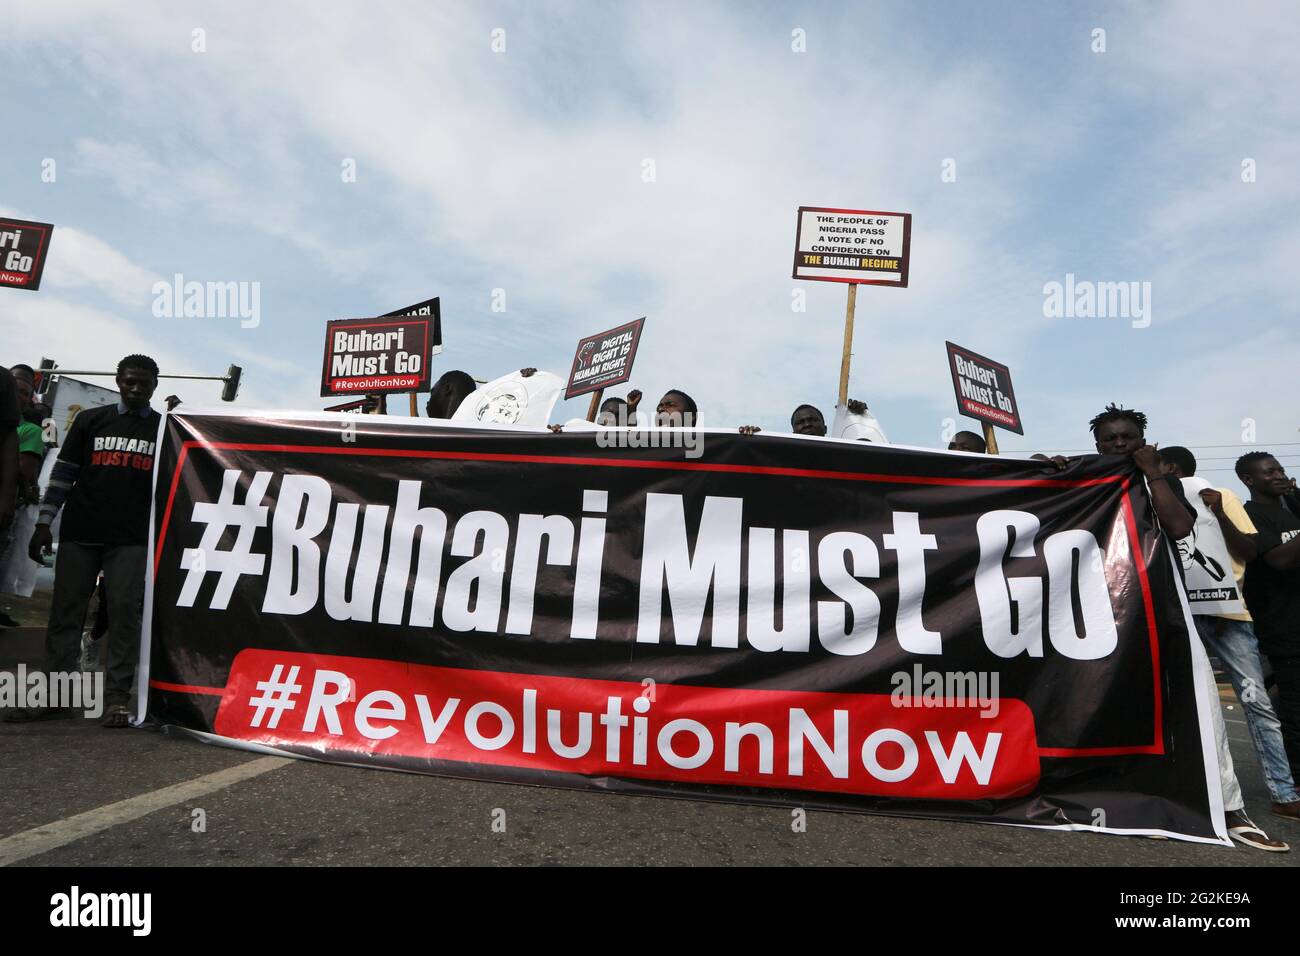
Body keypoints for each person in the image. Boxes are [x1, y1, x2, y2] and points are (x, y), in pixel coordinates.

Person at [1056, 406, 1283, 849]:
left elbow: (1179, 526)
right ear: (1098, 444)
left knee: (1198, 703)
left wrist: (1152, 474)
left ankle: (1228, 809)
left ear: (1143, 440)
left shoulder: (1163, 479)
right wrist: (1049, 470)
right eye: (1110, 439)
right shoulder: (1089, 476)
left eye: (1128, 437)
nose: (1119, 445)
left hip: (1162, 607)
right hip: (1106, 610)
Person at [5, 355, 163, 728]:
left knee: (125, 616)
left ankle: (116, 701)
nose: (136, 388)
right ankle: (56, 698)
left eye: (143, 383)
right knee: (65, 616)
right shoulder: (90, 420)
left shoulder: (162, 429)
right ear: (118, 380)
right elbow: (63, 473)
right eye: (129, 382)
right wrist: (44, 523)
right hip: (80, 533)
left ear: (154, 385)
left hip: (132, 539)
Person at [1160, 446, 1300, 820]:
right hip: (1179, 613)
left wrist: (1219, 512)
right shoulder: (1150, 498)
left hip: (1228, 614)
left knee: (1257, 704)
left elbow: (1249, 551)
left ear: (1170, 467)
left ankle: (1284, 792)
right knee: (1170, 702)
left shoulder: (1224, 496)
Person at [1237, 452, 1300, 787]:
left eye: (1281, 470)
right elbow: (1279, 559)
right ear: (1249, 480)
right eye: (1270, 472)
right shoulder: (1251, 516)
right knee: (1293, 708)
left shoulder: (1292, 506)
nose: (1279, 476)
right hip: (1282, 624)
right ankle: (1294, 782)